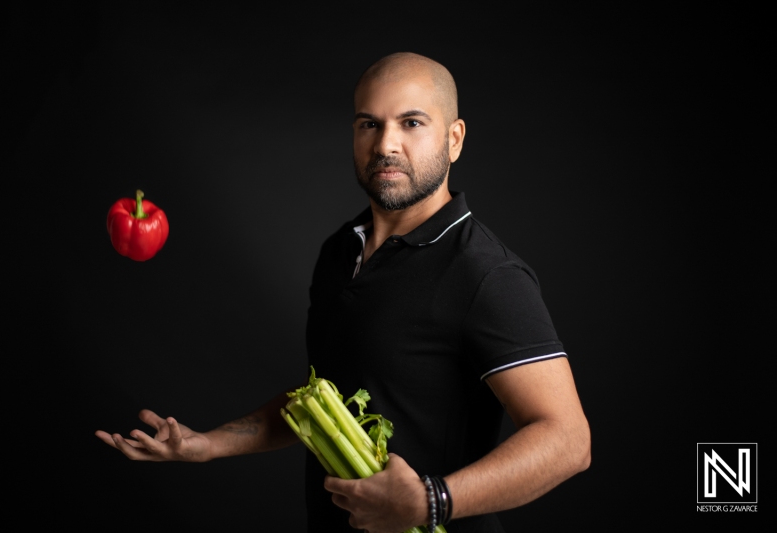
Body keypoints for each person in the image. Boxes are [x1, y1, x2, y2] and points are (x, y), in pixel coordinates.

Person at [96, 52, 591, 533]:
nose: (385, 145)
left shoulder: (485, 273)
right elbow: (322, 400)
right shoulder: (340, 252)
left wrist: (431, 501)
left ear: (454, 139)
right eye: (369, 124)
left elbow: (568, 441)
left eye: (412, 123)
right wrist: (207, 444)